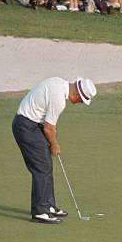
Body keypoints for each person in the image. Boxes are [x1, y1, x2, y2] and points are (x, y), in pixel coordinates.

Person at [12, 77, 97, 224]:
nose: (79, 103)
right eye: (82, 101)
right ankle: (40, 211)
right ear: (77, 95)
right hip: (26, 126)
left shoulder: (59, 83)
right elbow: (49, 128)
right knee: (41, 169)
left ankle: (48, 205)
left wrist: (51, 142)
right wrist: (54, 144)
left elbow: (47, 124)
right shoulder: (59, 99)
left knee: (46, 165)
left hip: (32, 124)